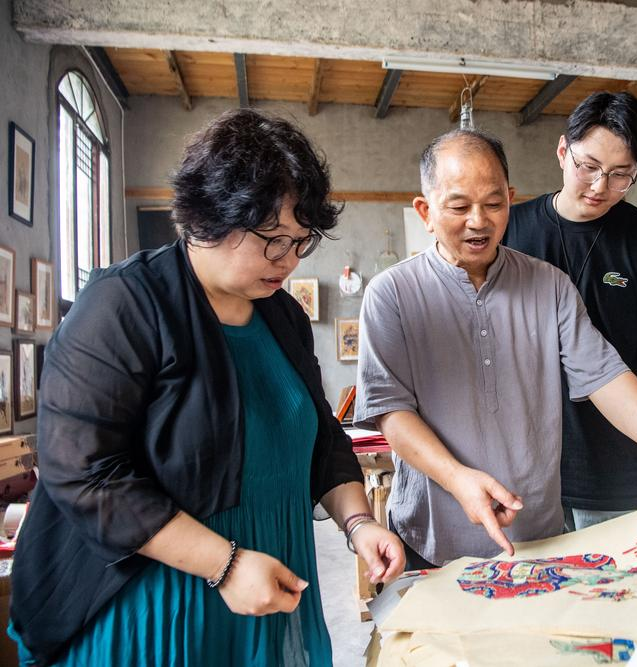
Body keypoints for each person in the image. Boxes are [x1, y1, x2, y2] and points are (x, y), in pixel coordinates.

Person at [9, 109, 404, 667]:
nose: (289, 261)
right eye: (273, 240)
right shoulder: (124, 304)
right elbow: (86, 473)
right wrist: (224, 564)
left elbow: (320, 436)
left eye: (301, 242)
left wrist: (358, 522)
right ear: (210, 217)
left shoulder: (283, 315)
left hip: (266, 577)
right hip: (156, 597)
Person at [355, 128, 637, 570]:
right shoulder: (391, 294)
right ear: (425, 212)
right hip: (433, 536)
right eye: (459, 207)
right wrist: (457, 479)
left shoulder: (549, 286)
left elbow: (604, 376)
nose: (478, 221)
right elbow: (392, 412)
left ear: (510, 201)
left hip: (535, 535)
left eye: (493, 204)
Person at [503, 92, 637, 530]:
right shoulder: (509, 232)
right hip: (523, 477)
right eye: (588, 167)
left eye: (620, 175)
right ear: (563, 152)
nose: (600, 186)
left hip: (621, 476)